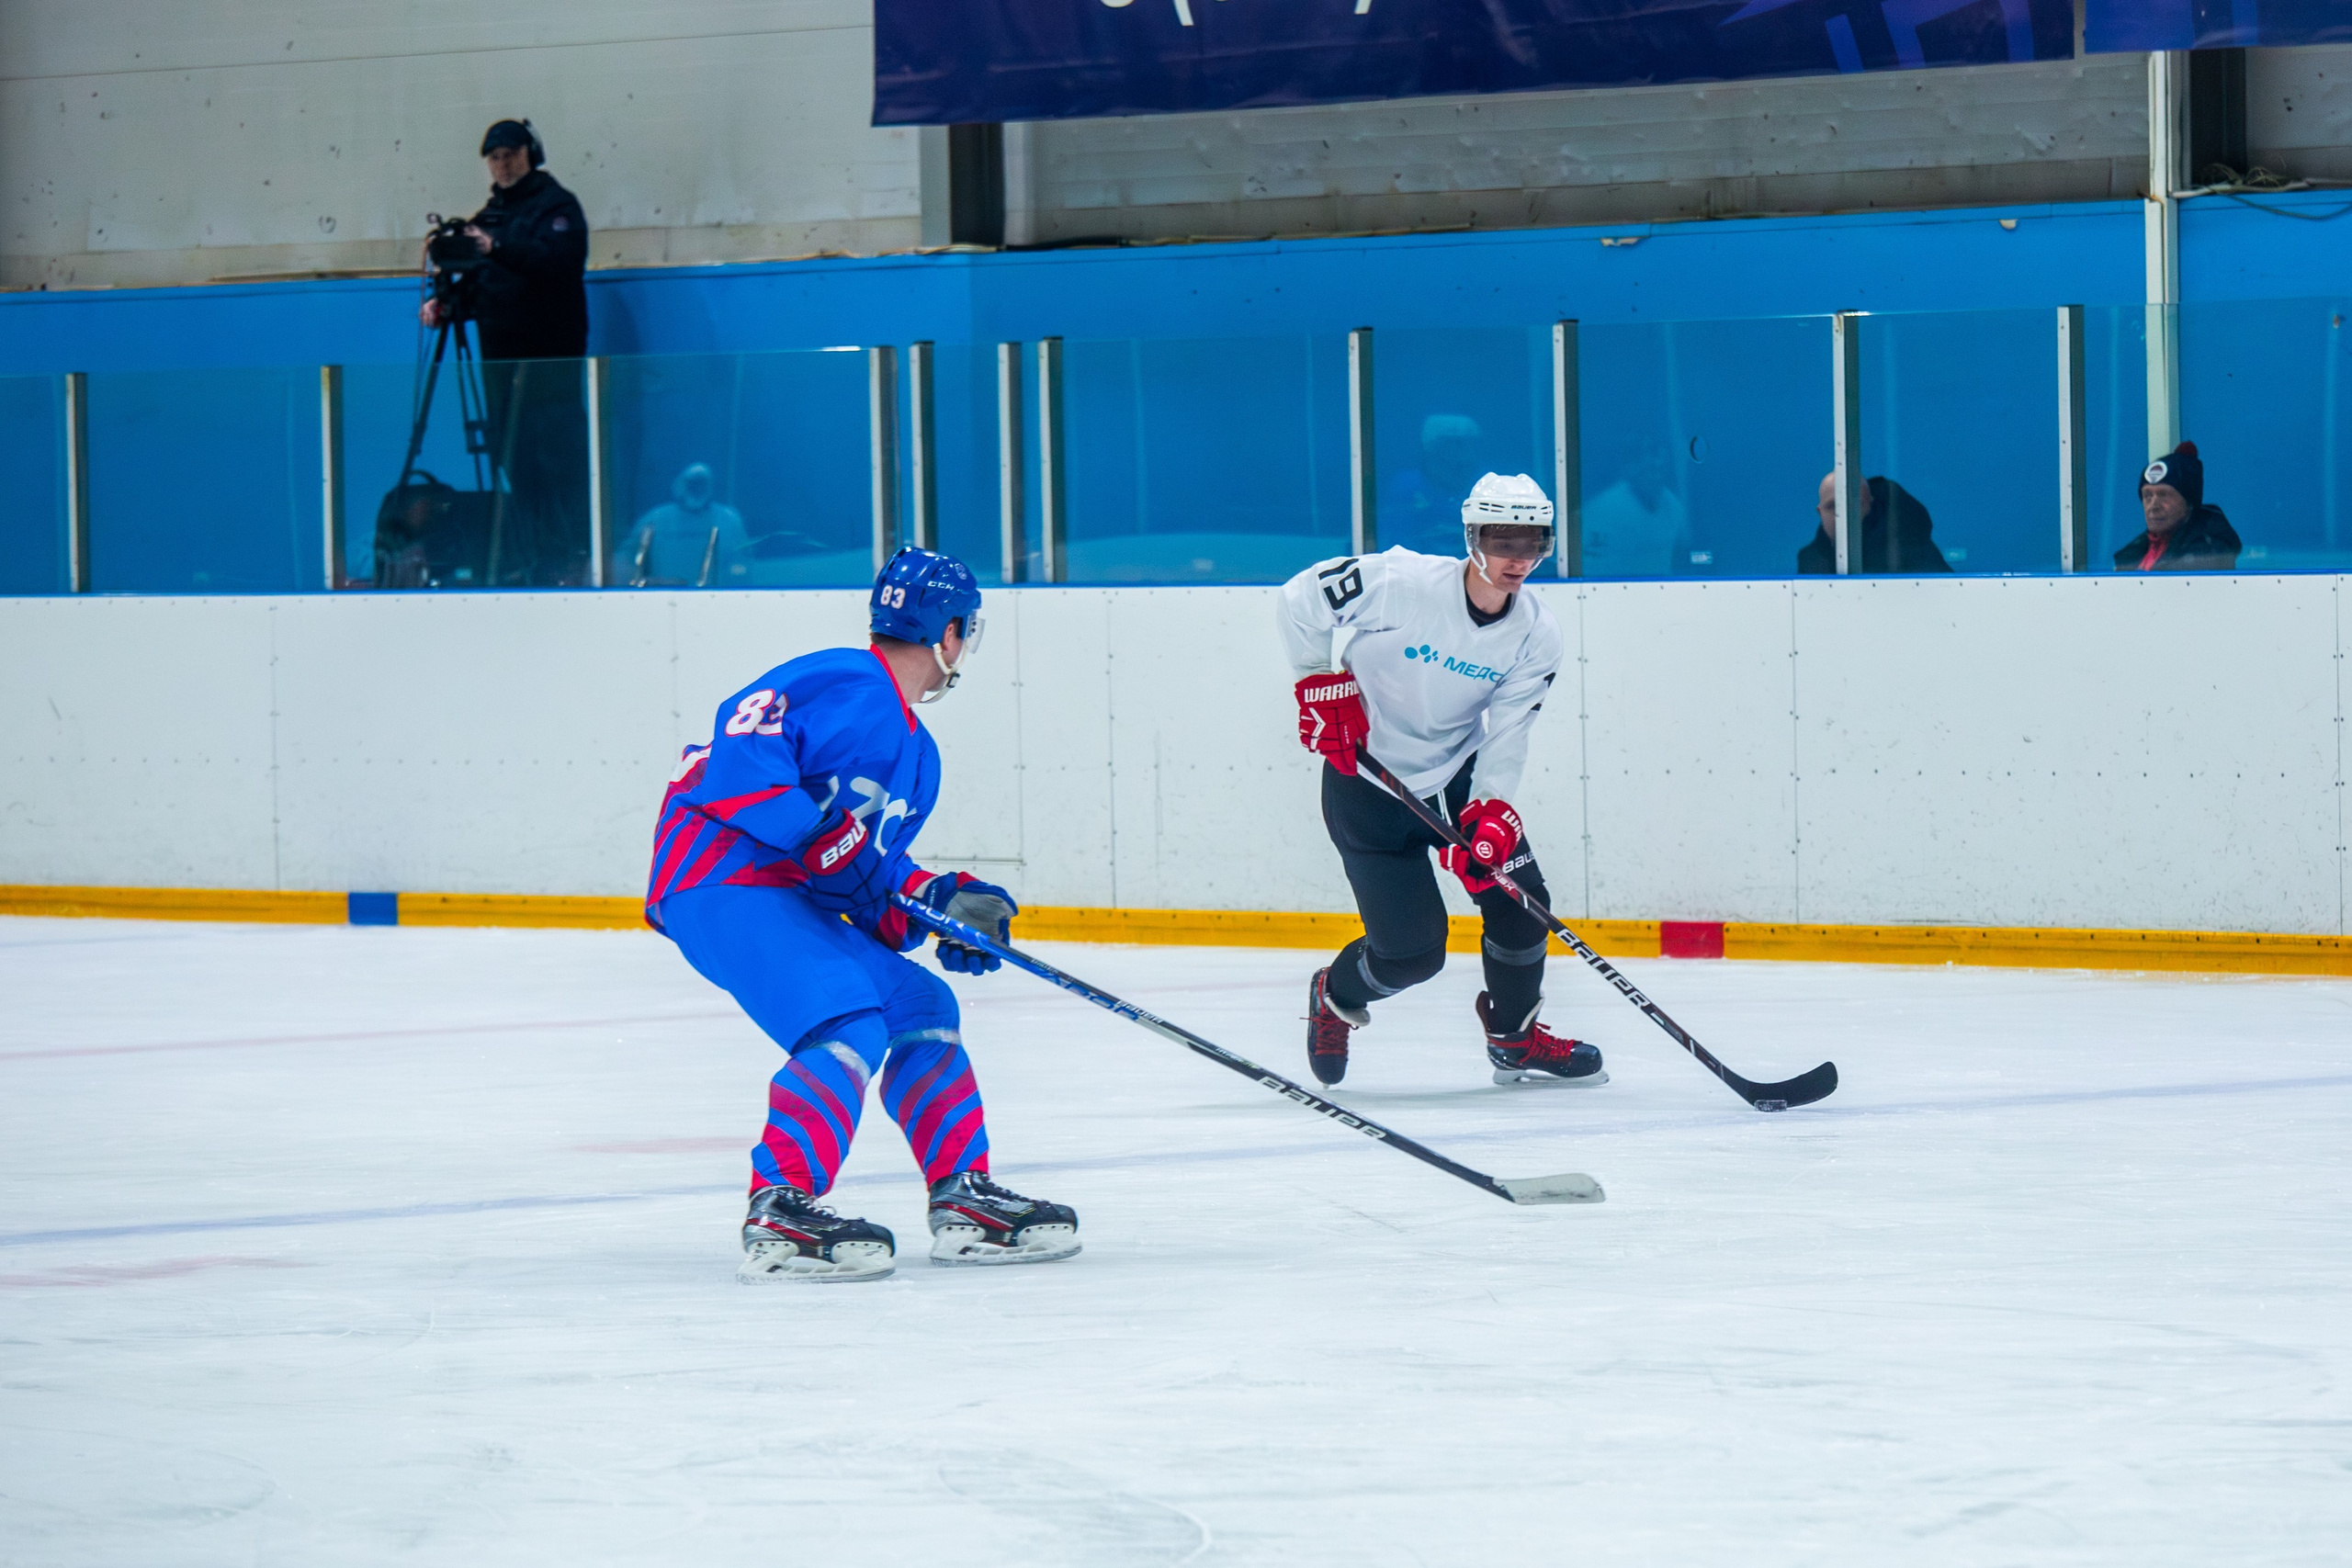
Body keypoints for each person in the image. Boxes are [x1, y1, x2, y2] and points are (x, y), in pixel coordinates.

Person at [645, 547, 1080, 1282]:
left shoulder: (917, 753)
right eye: (963, 631)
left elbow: (862, 881)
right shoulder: (845, 677)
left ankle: (961, 1196)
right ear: (947, 633)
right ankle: (781, 1201)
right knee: (849, 1017)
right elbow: (739, 748)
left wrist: (941, 904)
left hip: (780, 894)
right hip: (718, 877)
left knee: (920, 1003)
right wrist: (812, 832)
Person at [1280, 472, 1608, 1090]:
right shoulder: (1403, 583)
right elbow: (1301, 598)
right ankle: (1335, 995)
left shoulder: (1537, 633)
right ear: (1471, 536)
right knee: (1413, 954)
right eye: (1501, 539)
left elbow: (1510, 731)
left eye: (1532, 541)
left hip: (1454, 778)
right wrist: (1317, 680)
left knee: (1521, 905)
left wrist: (1490, 813)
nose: (1517, 558)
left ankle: (1515, 1038)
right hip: (1364, 783)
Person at [419, 119, 592, 585]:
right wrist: (446, 306)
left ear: (529, 153)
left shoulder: (557, 208)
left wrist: (495, 248)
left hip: (548, 365)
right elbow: (484, 288)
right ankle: (534, 556)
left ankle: (573, 556)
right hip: (500, 366)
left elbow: (554, 266)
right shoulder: (487, 217)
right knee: (514, 459)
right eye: (494, 158)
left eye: (510, 155)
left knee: (558, 462)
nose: (503, 165)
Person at [617, 463, 751, 586]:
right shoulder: (656, 518)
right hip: (665, 599)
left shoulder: (728, 519)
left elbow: (742, 561)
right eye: (693, 483)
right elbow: (628, 559)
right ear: (679, 484)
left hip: (714, 598)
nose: (697, 489)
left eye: (701, 484)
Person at [2114, 442, 2241, 571]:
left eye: (2163, 495)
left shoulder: (2209, 552)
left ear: (2189, 504)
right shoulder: (2132, 555)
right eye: (2147, 496)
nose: (2153, 506)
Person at [1798, 473, 1953, 574]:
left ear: (1870, 505)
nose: (1842, 516)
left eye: (1854, 506)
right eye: (1832, 506)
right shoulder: (1811, 561)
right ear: (1820, 512)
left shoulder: (1908, 548)